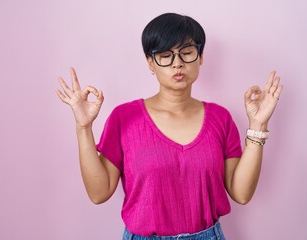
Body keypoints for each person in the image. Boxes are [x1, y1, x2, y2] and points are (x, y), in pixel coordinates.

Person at [56, 13, 283, 240]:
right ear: (150, 62)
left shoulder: (220, 118)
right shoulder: (123, 118)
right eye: (165, 55)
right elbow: (99, 193)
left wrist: (258, 124)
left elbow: (241, 193)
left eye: (187, 52)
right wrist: (83, 128)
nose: (177, 63)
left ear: (201, 56)